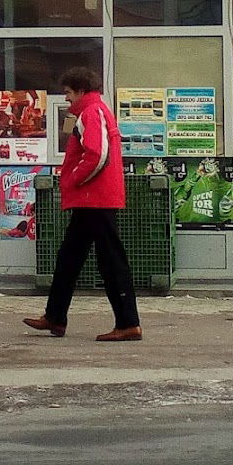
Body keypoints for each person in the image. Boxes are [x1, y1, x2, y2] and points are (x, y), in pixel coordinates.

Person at [23, 67, 141, 342]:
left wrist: (73, 178)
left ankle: (128, 323)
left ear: (80, 91)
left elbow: (97, 155)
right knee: (69, 258)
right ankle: (55, 317)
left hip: (94, 199)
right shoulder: (92, 111)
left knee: (109, 261)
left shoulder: (92, 112)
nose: (65, 99)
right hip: (92, 198)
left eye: (67, 93)